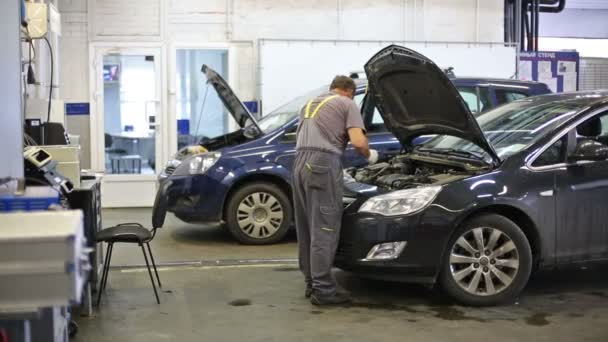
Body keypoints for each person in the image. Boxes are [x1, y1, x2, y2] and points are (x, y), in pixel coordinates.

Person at [292, 75, 378, 305]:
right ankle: (324, 291)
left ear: (332, 89)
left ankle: (311, 283)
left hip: (299, 163)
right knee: (324, 227)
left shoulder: (309, 104)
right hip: (322, 163)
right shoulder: (347, 103)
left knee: (307, 228)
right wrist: (370, 155)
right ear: (349, 91)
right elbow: (358, 142)